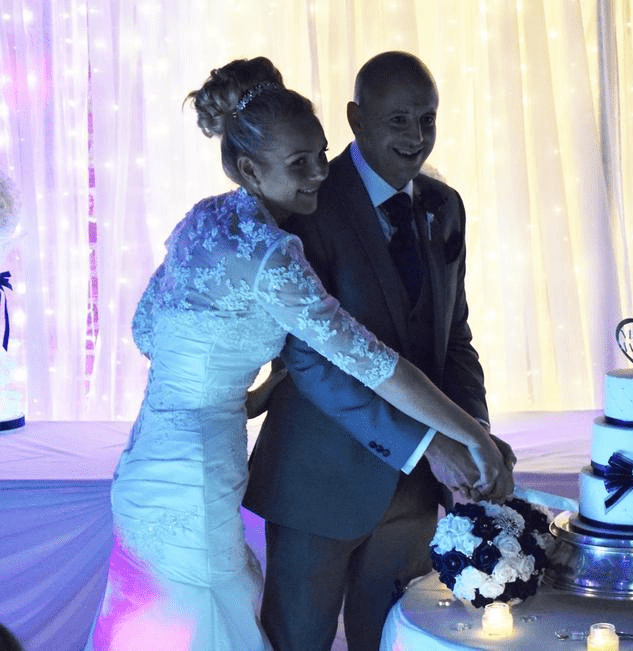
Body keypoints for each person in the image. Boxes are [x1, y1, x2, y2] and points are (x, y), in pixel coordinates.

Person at [84, 56, 510, 651]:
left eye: (428, 118)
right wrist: (461, 438)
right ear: (249, 169)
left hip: (167, 456)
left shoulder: (204, 221)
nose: (317, 173)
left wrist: (236, 394)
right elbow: (352, 363)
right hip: (287, 481)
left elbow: (146, 330)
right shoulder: (289, 229)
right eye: (397, 120)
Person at [243, 51, 514, 651]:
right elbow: (311, 363)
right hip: (318, 483)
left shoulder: (446, 208)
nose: (416, 137)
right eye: (398, 120)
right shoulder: (304, 203)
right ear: (355, 118)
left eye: (428, 119)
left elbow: (455, 343)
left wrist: (475, 436)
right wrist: (430, 441)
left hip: (415, 496)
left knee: (396, 642)